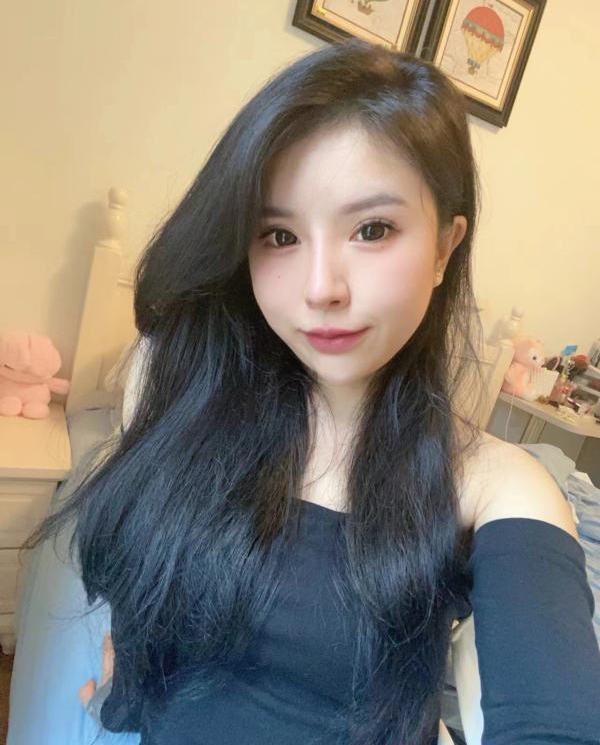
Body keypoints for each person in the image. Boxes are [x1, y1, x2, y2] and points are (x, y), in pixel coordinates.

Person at [26, 38, 600, 745]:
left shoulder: (498, 485)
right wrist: (132, 676)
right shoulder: (169, 385)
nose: (321, 288)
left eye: (372, 229)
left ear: (445, 247)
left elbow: (554, 719)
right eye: (278, 236)